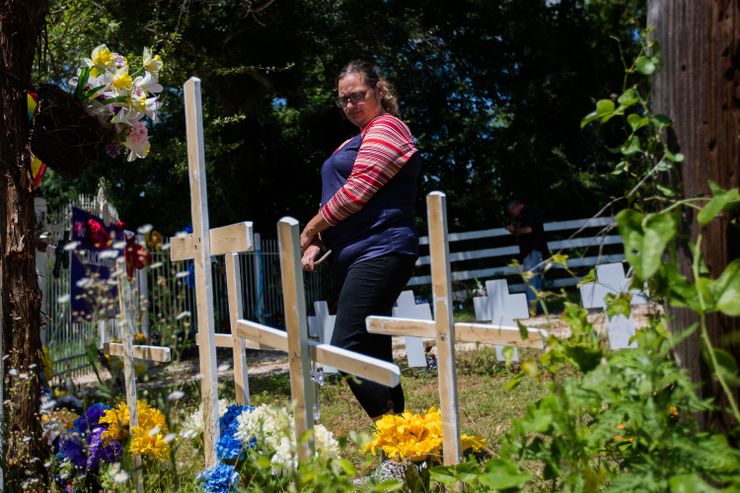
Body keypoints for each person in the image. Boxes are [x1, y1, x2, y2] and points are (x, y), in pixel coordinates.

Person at [299, 60, 421, 421]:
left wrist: (308, 229)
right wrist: (321, 238)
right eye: (343, 100)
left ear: (378, 91)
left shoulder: (387, 128)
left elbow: (355, 193)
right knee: (374, 355)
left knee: (346, 349)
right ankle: (401, 452)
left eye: (358, 96)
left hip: (381, 248)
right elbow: (339, 198)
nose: (350, 105)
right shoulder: (356, 138)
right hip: (360, 253)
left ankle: (399, 442)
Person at [505, 199, 549, 314]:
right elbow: (525, 231)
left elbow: (528, 229)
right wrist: (515, 231)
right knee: (536, 281)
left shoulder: (527, 212)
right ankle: (540, 308)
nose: (513, 215)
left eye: (511, 212)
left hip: (531, 252)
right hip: (536, 251)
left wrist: (514, 229)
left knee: (530, 280)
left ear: (515, 207)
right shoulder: (530, 212)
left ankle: (532, 309)